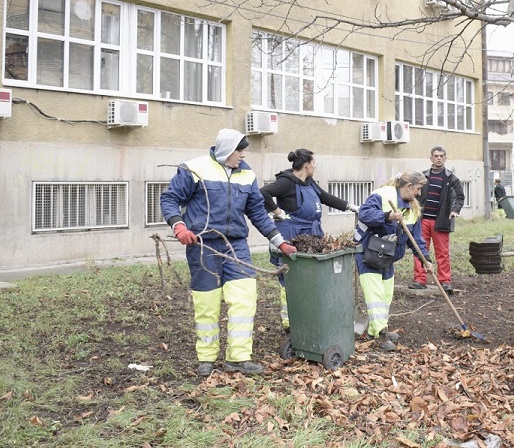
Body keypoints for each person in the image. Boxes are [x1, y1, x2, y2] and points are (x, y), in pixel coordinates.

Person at [160, 129, 296, 377]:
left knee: (245, 298)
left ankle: (239, 358)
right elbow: (169, 199)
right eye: (239, 150)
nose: (243, 155)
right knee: (207, 304)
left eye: (244, 151)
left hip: (236, 245)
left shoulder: (247, 174)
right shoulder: (193, 169)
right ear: (226, 150)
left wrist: (279, 241)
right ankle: (207, 359)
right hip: (204, 246)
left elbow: (256, 212)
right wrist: (178, 226)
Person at [260, 149, 359, 332]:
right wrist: (277, 212)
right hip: (292, 235)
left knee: (310, 277)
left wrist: (349, 206)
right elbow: (263, 192)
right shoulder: (286, 182)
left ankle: (309, 314)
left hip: (311, 235)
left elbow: (325, 197)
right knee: (290, 278)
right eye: (314, 162)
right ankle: (291, 322)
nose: (316, 166)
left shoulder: (309, 182)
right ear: (307, 164)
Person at [355, 170, 432, 351]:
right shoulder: (383, 195)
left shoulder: (412, 208)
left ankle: (375, 331)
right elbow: (364, 214)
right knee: (376, 295)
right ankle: (382, 334)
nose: (419, 194)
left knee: (386, 295)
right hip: (368, 252)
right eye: (418, 189)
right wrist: (387, 216)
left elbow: (416, 239)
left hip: (387, 255)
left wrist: (425, 260)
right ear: (408, 186)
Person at [409, 146, 465, 293]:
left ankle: (445, 281)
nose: (438, 158)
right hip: (422, 221)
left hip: (441, 221)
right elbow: (413, 194)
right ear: (431, 159)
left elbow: (460, 197)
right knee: (420, 250)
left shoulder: (451, 178)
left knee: (442, 252)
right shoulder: (422, 177)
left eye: (441, 156)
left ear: (445, 158)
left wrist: (454, 210)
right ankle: (420, 280)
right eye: (436, 156)